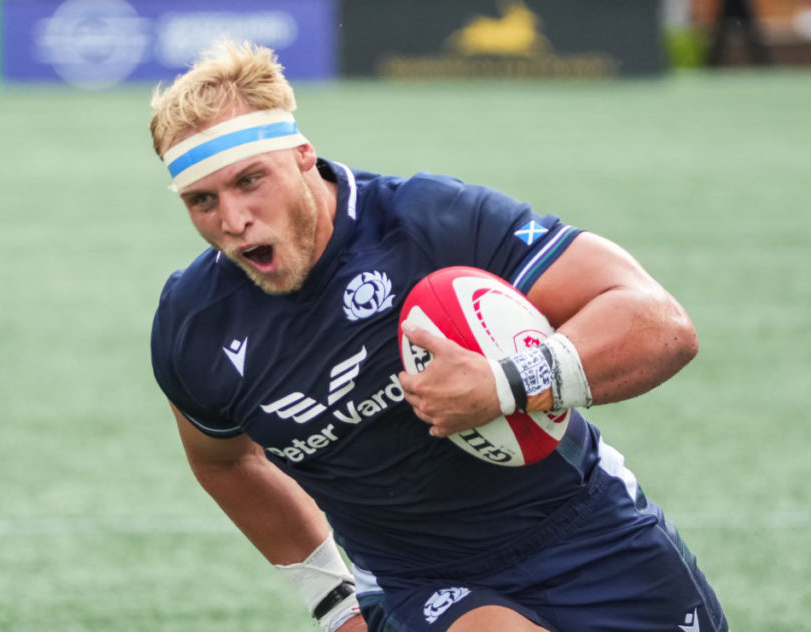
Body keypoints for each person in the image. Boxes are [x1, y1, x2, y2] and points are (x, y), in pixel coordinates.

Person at [148, 42, 728, 632]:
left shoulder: (431, 222)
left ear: (302, 156)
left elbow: (660, 323)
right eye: (202, 200)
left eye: (250, 180)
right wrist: (330, 602)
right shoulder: (194, 327)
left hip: (586, 531)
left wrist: (506, 383)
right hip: (423, 582)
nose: (233, 218)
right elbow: (224, 462)